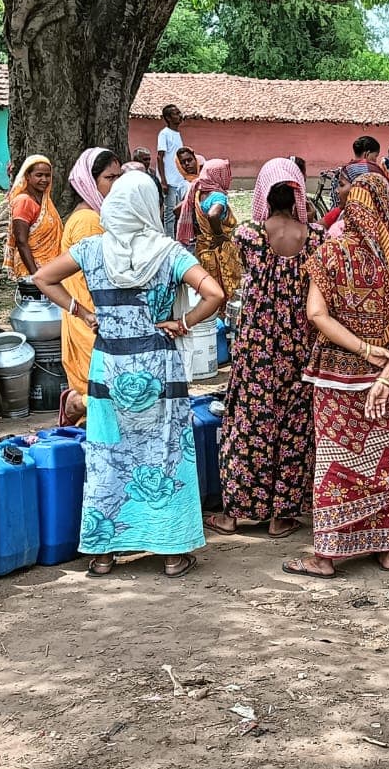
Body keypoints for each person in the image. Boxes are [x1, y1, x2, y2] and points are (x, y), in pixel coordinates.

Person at [30, 171, 225, 580]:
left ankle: (103, 554)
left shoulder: (92, 249)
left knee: (108, 456)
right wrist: (184, 322)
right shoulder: (168, 253)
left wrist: (83, 312)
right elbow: (215, 294)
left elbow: (42, 277)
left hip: (109, 368)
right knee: (165, 455)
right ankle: (171, 553)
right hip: (159, 370)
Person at [283, 172, 389, 578]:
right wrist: (385, 376)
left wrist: (362, 349)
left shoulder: (329, 254)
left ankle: (326, 556)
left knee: (337, 463)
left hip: (336, 381)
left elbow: (316, 314)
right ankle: (388, 549)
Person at [206, 158, 324, 539]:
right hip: (298, 343)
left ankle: (235, 514)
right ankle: (281, 516)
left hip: (256, 345)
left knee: (248, 424)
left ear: (263, 196)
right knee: (293, 426)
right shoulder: (316, 238)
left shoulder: (249, 235)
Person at [58, 147, 123, 424]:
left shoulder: (96, 216)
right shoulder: (88, 221)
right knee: (104, 390)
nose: (116, 185)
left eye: (119, 177)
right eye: (109, 178)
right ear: (89, 181)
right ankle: (74, 406)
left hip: (89, 313)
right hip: (90, 314)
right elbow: (98, 276)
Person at [176, 158, 240, 302]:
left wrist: (198, 227)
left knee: (208, 286)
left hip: (202, 247)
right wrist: (219, 235)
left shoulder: (197, 193)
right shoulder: (218, 196)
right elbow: (213, 215)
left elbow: (177, 210)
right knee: (227, 284)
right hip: (219, 249)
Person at [4, 155, 62, 278]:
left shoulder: (45, 201)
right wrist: (36, 275)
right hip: (31, 269)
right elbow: (21, 241)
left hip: (49, 268)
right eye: (39, 175)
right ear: (27, 176)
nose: (44, 179)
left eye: (47, 175)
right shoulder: (24, 201)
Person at [156, 104, 188, 236]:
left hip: (179, 180)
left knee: (179, 212)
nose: (180, 116)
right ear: (168, 118)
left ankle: (177, 237)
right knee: (169, 214)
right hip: (169, 181)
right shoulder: (164, 134)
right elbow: (160, 157)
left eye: (179, 113)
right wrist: (163, 180)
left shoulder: (177, 134)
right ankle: (169, 239)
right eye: (176, 113)